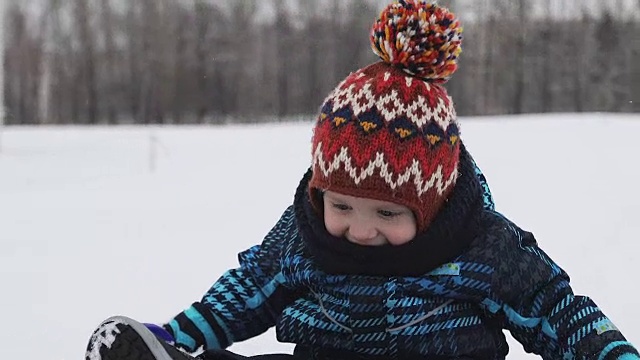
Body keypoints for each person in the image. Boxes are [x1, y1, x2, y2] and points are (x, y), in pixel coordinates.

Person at [85, 1, 639, 359]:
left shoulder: (482, 246)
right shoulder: (303, 236)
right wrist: (176, 333)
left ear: (433, 206)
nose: (360, 229)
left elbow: (553, 308)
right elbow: (248, 290)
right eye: (342, 205)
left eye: (388, 213)